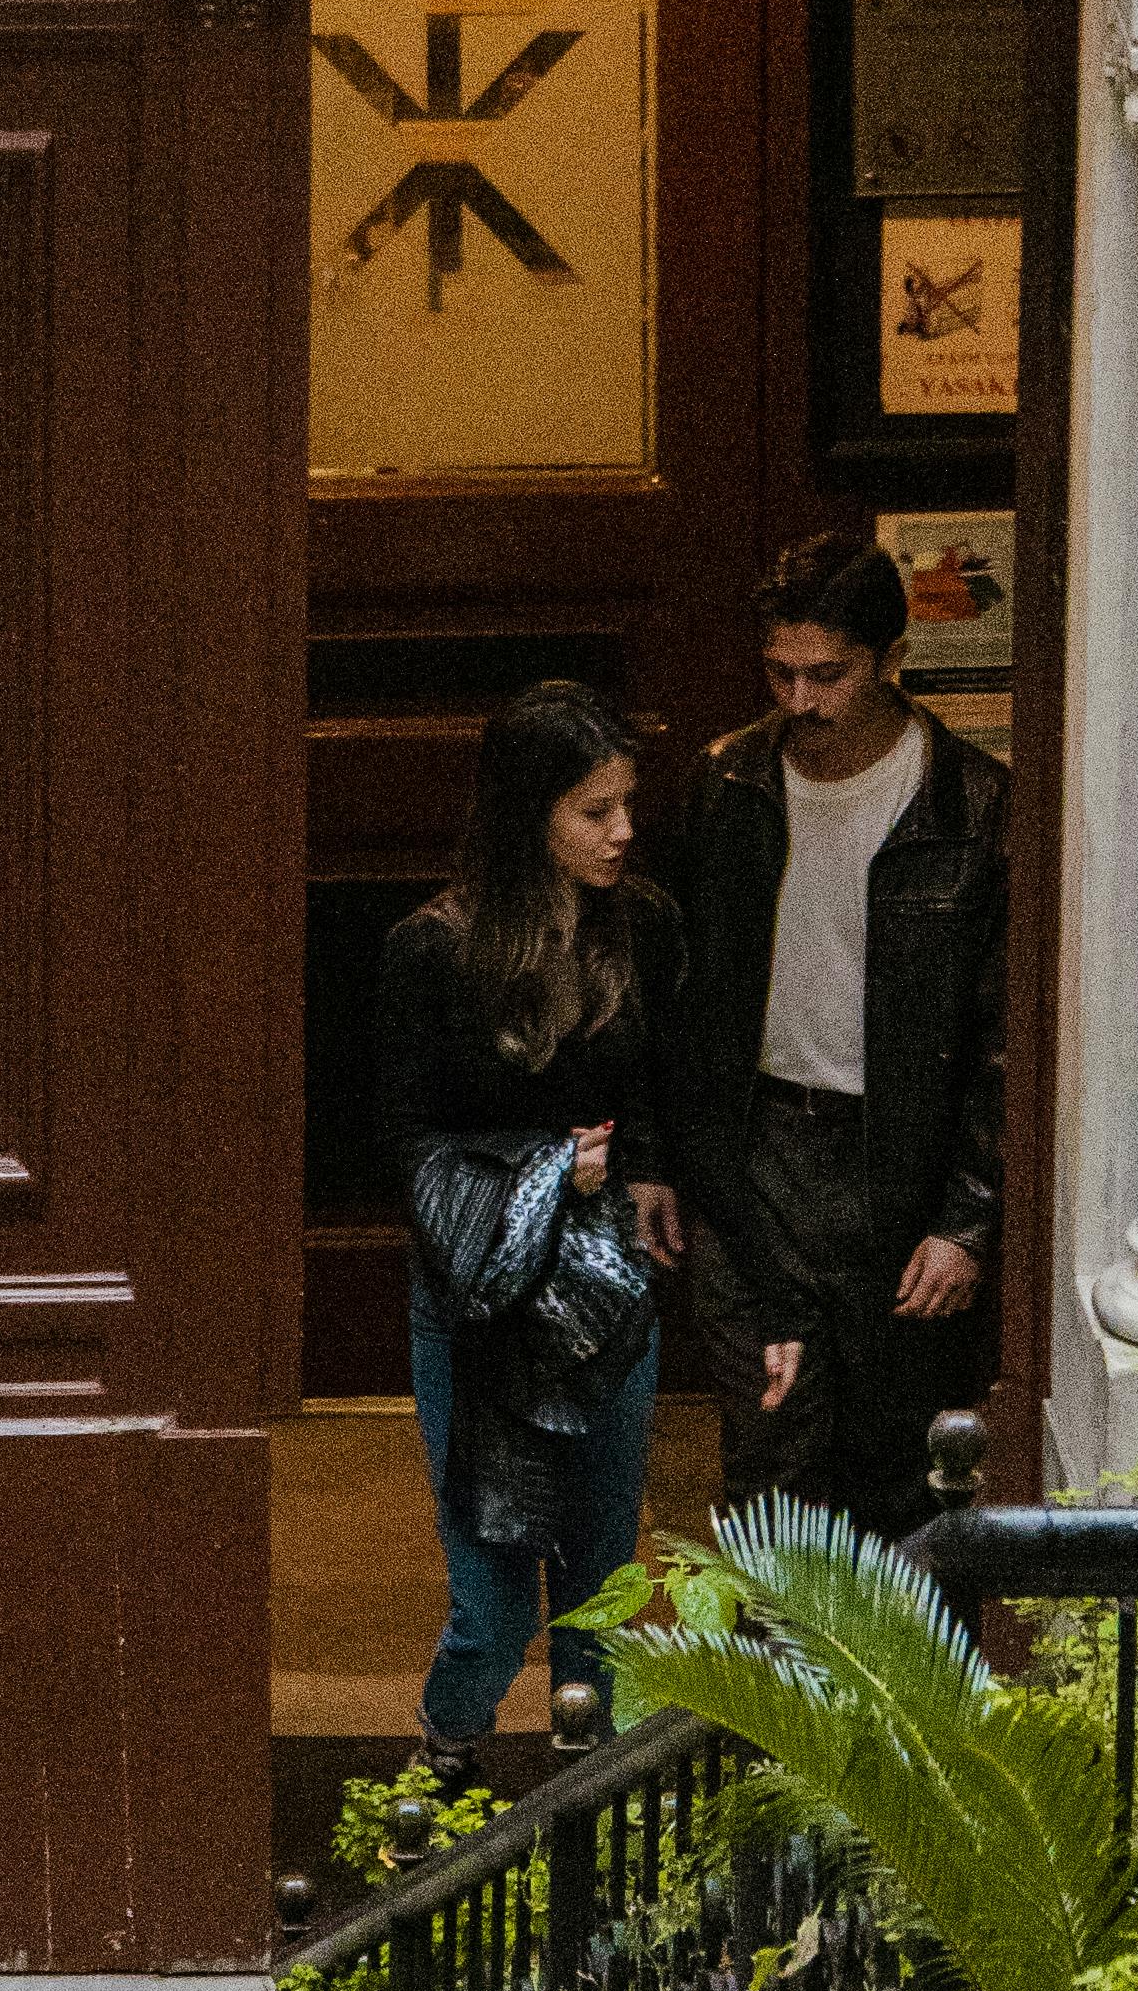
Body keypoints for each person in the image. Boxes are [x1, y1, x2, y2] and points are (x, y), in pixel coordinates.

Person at [664, 532, 1006, 1537]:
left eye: (829, 675)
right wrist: (658, 1156)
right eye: (781, 673)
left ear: (893, 662)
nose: (802, 701)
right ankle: (772, 1691)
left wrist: (969, 1216)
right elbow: (677, 992)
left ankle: (877, 1692)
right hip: (759, 1149)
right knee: (770, 1456)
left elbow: (999, 1036)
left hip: (898, 1165)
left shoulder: (970, 805)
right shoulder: (728, 785)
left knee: (897, 1463)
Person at [380, 679, 686, 1789]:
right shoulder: (431, 950)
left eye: (625, 805)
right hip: (476, 1305)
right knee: (493, 1603)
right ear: (529, 815)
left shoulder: (638, 924)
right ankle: (441, 1769)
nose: (623, 831)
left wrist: (640, 1168)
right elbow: (407, 1138)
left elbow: (650, 1079)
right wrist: (553, 1170)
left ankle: (583, 1798)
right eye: (594, 811)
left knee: (603, 1582)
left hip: (602, 1292)